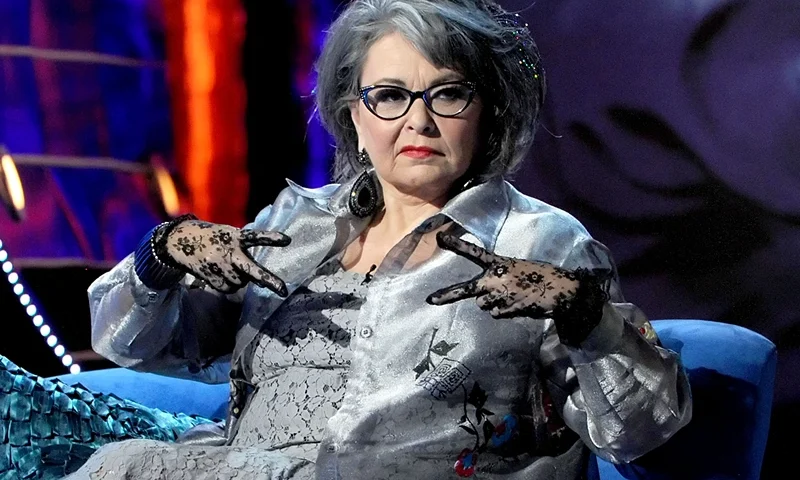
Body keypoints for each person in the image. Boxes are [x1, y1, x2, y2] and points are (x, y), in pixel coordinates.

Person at [2, 0, 692, 478]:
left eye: (447, 94)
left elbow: (638, 434)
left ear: (488, 112)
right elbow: (130, 344)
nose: (416, 121)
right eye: (389, 96)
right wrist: (160, 260)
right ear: (352, 115)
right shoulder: (296, 228)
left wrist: (586, 319)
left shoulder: (543, 243)